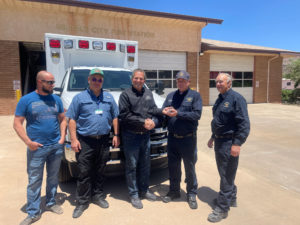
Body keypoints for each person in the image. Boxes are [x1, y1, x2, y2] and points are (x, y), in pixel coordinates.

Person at [13, 71, 66, 225]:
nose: (52, 85)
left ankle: (50, 203)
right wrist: (28, 142)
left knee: (53, 177)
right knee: (35, 180)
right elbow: (17, 123)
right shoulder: (26, 100)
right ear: (39, 82)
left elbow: (63, 119)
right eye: (49, 82)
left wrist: (62, 138)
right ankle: (33, 212)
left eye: (53, 82)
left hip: (55, 146)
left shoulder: (56, 99)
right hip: (37, 148)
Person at [66, 68, 120, 218]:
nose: (97, 82)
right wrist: (74, 139)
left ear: (103, 81)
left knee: (100, 169)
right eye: (94, 79)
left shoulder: (109, 97)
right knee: (84, 172)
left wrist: (116, 134)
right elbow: (72, 119)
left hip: (103, 140)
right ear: (89, 80)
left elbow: (115, 116)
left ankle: (97, 196)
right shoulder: (79, 98)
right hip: (85, 141)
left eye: (100, 79)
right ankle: (82, 201)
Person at [207, 73, 250, 222]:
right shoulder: (220, 99)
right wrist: (213, 137)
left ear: (229, 83)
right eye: (216, 81)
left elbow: (244, 124)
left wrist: (237, 143)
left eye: (221, 82)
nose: (218, 84)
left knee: (226, 175)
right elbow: (219, 122)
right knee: (225, 173)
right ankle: (231, 198)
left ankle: (222, 208)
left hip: (229, 143)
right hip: (219, 141)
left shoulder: (237, 99)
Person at [118, 68, 160, 209]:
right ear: (132, 79)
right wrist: (143, 122)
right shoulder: (125, 95)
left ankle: (144, 190)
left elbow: (153, 109)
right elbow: (124, 116)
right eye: (136, 78)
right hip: (131, 136)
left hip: (145, 136)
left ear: (144, 80)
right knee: (132, 166)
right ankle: (134, 194)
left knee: (145, 164)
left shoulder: (148, 93)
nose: (138, 80)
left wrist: (160, 113)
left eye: (141, 78)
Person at [161, 70, 202, 210]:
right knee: (173, 166)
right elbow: (163, 110)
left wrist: (178, 113)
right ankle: (174, 191)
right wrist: (164, 113)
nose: (180, 82)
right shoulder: (171, 96)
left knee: (189, 167)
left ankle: (191, 193)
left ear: (188, 82)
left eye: (183, 80)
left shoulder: (195, 96)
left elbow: (197, 115)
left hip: (187, 139)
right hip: (172, 138)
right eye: (178, 80)